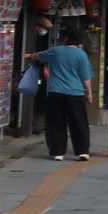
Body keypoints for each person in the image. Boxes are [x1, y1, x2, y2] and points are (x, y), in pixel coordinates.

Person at [25, 27, 92, 161]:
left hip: (56, 92)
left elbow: (39, 56)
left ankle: (58, 151)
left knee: (56, 122)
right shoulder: (82, 55)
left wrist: (27, 55)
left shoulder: (56, 51)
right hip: (76, 93)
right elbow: (86, 77)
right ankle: (82, 151)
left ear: (66, 38)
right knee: (79, 123)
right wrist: (89, 93)